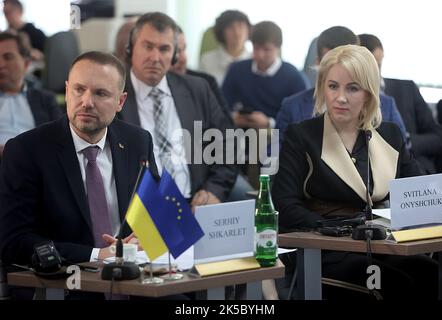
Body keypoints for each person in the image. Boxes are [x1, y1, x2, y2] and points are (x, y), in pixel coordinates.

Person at [272, 44, 437, 299]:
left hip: (380, 245)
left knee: (429, 272)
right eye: (333, 86)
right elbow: (285, 205)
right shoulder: (302, 136)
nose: (340, 97)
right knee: (398, 283)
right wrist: (341, 229)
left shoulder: (389, 134)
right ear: (322, 89)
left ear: (369, 95)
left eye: (352, 88)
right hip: (325, 251)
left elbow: (418, 191)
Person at [0, 51, 159, 269]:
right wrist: (97, 254)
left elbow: (160, 218)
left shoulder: (138, 142)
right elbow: (14, 242)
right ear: (66, 91)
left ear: (120, 101)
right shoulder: (26, 150)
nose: (86, 102)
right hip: (65, 283)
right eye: (79, 90)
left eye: (100, 93)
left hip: (133, 277)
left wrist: (143, 241)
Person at [118, 12, 237, 207]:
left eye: (164, 49)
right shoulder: (113, 94)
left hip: (195, 204)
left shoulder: (198, 89)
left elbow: (228, 146)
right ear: (131, 48)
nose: (155, 57)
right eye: (147, 46)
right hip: (140, 210)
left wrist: (213, 190)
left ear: (174, 55)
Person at [276, 26, 407, 143]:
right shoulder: (292, 107)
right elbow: (274, 160)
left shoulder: (387, 107)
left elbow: (402, 161)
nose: (340, 69)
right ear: (318, 64)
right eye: (331, 62)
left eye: (348, 62)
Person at [359, 33, 442, 174]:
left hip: (412, 172)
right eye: (369, 67)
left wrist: (404, 140)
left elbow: (438, 138)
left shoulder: (407, 89)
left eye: (379, 65)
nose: (375, 73)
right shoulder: (348, 99)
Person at [222, 21, 309, 130]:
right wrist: (232, 117)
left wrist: (269, 123)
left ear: (278, 48)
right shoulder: (237, 69)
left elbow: (302, 119)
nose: (260, 55)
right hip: (240, 133)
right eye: (256, 48)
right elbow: (222, 104)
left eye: (266, 49)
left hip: (278, 136)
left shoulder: (295, 78)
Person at [0, 32, 61, 157]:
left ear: (26, 63)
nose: (0, 65)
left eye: (8, 57)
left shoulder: (45, 99)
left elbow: (62, 136)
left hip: (38, 164)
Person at [199, 10, 252, 85]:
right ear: (221, 32)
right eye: (230, 27)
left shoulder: (255, 61)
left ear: (248, 30)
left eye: (240, 26)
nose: (236, 32)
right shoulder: (207, 60)